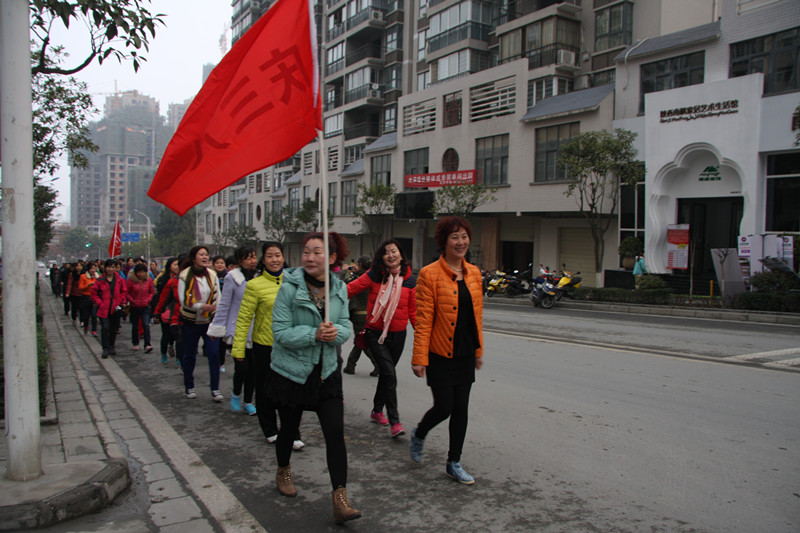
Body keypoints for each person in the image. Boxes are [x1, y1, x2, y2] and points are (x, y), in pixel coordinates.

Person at [268, 232, 359, 524]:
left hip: (326, 372)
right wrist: (313, 334)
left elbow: (346, 325)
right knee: (289, 429)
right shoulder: (288, 288)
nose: (309, 257)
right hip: (292, 373)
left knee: (335, 432)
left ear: (331, 258)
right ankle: (283, 470)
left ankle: (340, 499)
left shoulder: (339, 289)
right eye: (306, 251)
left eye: (317, 252)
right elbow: (280, 332)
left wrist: (336, 333)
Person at [410, 216, 484, 485]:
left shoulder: (474, 273)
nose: (461, 242)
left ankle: (454, 462)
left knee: (461, 409)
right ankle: (420, 433)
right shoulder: (429, 274)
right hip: (439, 352)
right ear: (444, 241)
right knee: (444, 407)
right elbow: (424, 320)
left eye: (464, 236)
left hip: (465, 350)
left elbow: (477, 316)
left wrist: (478, 351)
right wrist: (419, 358)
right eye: (455, 237)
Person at [233, 242, 304, 448]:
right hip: (264, 346)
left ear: (283, 257)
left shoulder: (294, 282)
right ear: (263, 260)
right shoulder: (254, 285)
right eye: (270, 256)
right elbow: (244, 319)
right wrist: (238, 348)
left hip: (289, 345)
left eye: (278, 255)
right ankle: (270, 429)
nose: (274, 260)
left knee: (291, 390)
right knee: (265, 390)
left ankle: (292, 432)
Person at [347, 241, 416, 438]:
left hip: (399, 335)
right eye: (386, 253)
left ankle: (377, 411)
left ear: (401, 255)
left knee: (387, 375)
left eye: (394, 251)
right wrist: (326, 297)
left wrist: (423, 338)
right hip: (375, 334)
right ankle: (395, 421)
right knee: (390, 374)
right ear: (381, 257)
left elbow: (413, 311)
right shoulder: (374, 275)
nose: (390, 255)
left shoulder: (410, 280)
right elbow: (349, 289)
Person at [209, 246, 259, 415]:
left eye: (254, 257)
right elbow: (224, 304)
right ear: (239, 261)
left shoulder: (259, 277)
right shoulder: (232, 278)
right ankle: (236, 394)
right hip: (236, 328)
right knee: (242, 367)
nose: (252, 261)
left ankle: (248, 401)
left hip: (256, 329)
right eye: (248, 258)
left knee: (253, 369)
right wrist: (216, 329)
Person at [178, 246, 222, 401]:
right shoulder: (184, 276)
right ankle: (189, 386)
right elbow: (184, 301)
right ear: (193, 258)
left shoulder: (212, 274)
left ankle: (215, 388)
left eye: (206, 254)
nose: (205, 257)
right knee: (190, 355)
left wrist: (217, 314)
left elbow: (218, 297)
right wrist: (202, 306)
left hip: (209, 321)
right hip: (190, 321)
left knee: (214, 354)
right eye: (201, 254)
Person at [340, 255, 379, 377]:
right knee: (360, 339)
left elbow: (343, 284)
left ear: (360, 265)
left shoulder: (361, 278)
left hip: (359, 314)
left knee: (362, 340)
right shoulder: (372, 276)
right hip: (366, 313)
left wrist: (344, 271)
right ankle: (350, 365)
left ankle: (378, 364)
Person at [91, 259, 129, 359]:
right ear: (105, 268)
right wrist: (100, 303)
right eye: (109, 267)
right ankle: (105, 348)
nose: (111, 269)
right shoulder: (100, 280)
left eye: (113, 267)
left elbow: (124, 292)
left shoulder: (119, 280)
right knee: (105, 328)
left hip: (115, 308)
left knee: (113, 329)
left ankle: (112, 346)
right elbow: (94, 294)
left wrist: (120, 300)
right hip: (104, 308)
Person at [154, 258, 180, 365]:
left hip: (177, 312)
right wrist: (157, 312)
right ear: (169, 266)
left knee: (178, 336)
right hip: (166, 311)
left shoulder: (182, 279)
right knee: (166, 334)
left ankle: (179, 357)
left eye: (178, 265)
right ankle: (163, 353)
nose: (177, 267)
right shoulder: (163, 279)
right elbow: (161, 298)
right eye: (175, 265)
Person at [127, 263, 155, 353]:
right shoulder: (131, 281)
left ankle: (147, 344)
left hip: (145, 306)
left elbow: (151, 292)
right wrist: (132, 300)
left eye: (143, 272)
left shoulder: (149, 280)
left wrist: (148, 299)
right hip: (134, 306)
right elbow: (127, 292)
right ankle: (135, 342)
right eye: (139, 272)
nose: (141, 274)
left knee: (146, 325)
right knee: (135, 326)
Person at [78, 262, 99, 336]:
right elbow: (80, 287)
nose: (93, 270)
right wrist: (88, 285)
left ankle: (94, 330)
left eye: (94, 268)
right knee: (86, 315)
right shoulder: (83, 276)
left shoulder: (98, 277)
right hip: (86, 297)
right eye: (91, 268)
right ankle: (86, 326)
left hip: (94, 298)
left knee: (94, 315)